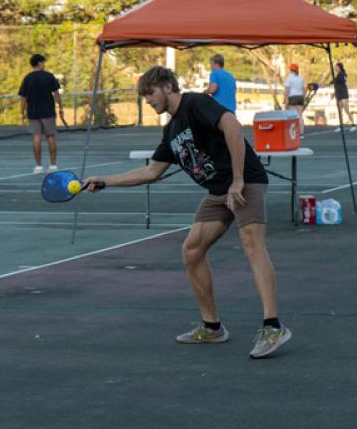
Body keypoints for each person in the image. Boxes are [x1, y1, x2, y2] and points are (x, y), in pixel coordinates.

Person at [84, 66, 291, 359]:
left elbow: (232, 126)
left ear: (168, 87)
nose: (148, 100)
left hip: (245, 181)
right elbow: (151, 171)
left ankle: (273, 326)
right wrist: (105, 181)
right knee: (192, 250)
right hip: (218, 191)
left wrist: (238, 180)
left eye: (150, 93)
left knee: (252, 246)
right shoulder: (171, 131)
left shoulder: (195, 103)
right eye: (144, 97)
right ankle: (212, 327)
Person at [19, 54, 64, 174]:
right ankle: (53, 165)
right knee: (50, 137)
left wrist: (22, 112)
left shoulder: (27, 78)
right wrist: (61, 108)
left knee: (36, 137)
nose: (44, 65)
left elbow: (24, 97)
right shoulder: (49, 76)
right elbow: (56, 94)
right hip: (48, 111)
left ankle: (38, 166)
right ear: (39, 63)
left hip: (33, 112)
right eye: (43, 62)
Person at [333, 62, 357, 132]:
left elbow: (340, 81)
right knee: (340, 111)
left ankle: (353, 125)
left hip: (343, 94)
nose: (335, 68)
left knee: (346, 110)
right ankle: (341, 126)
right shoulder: (338, 75)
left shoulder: (342, 74)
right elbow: (335, 83)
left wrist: (333, 81)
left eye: (336, 67)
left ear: (339, 67)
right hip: (339, 94)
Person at [284, 63, 305, 136]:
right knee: (300, 115)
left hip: (292, 97)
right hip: (300, 97)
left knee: (292, 116)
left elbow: (287, 90)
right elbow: (303, 90)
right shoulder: (301, 78)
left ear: (290, 70)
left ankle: (293, 133)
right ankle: (301, 132)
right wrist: (303, 98)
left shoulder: (289, 78)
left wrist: (286, 100)